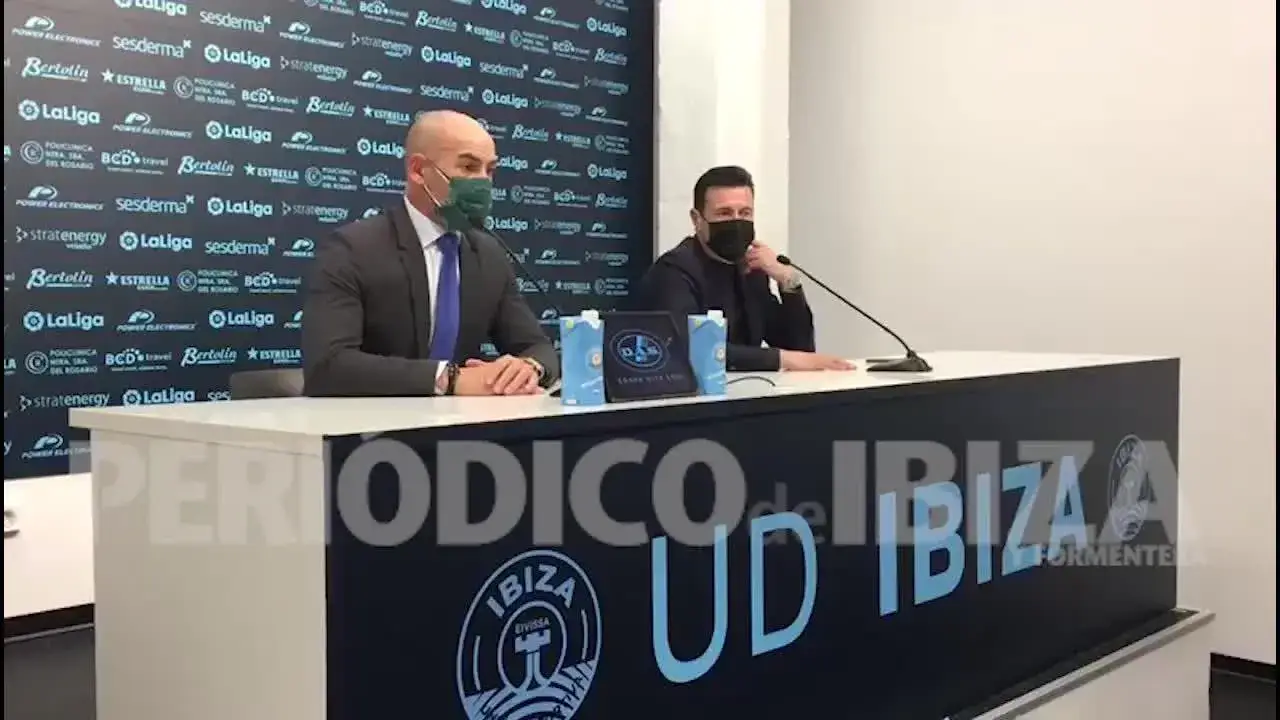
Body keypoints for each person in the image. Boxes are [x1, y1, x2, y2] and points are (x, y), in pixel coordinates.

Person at [302, 110, 558, 397]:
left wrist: (529, 368)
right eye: (469, 167)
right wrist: (448, 379)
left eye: (490, 170)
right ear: (418, 170)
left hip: (464, 422)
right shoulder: (352, 249)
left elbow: (537, 347)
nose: (483, 182)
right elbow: (328, 366)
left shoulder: (488, 255)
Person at [635, 166, 854, 372]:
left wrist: (788, 280)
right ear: (697, 219)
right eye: (724, 213)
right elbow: (688, 347)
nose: (736, 221)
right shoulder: (674, 271)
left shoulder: (751, 269)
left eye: (745, 213)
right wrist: (781, 359)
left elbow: (800, 349)